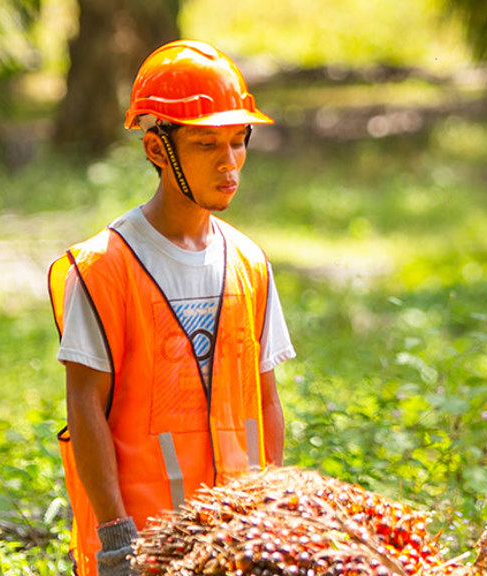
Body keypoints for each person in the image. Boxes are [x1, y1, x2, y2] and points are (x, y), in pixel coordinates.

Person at [47, 40, 293, 576]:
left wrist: (274, 507)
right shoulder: (104, 268)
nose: (229, 164)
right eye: (207, 145)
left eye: (238, 141)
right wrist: (115, 534)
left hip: (235, 541)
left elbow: (266, 398)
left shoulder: (249, 262)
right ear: (158, 150)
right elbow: (84, 407)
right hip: (143, 544)